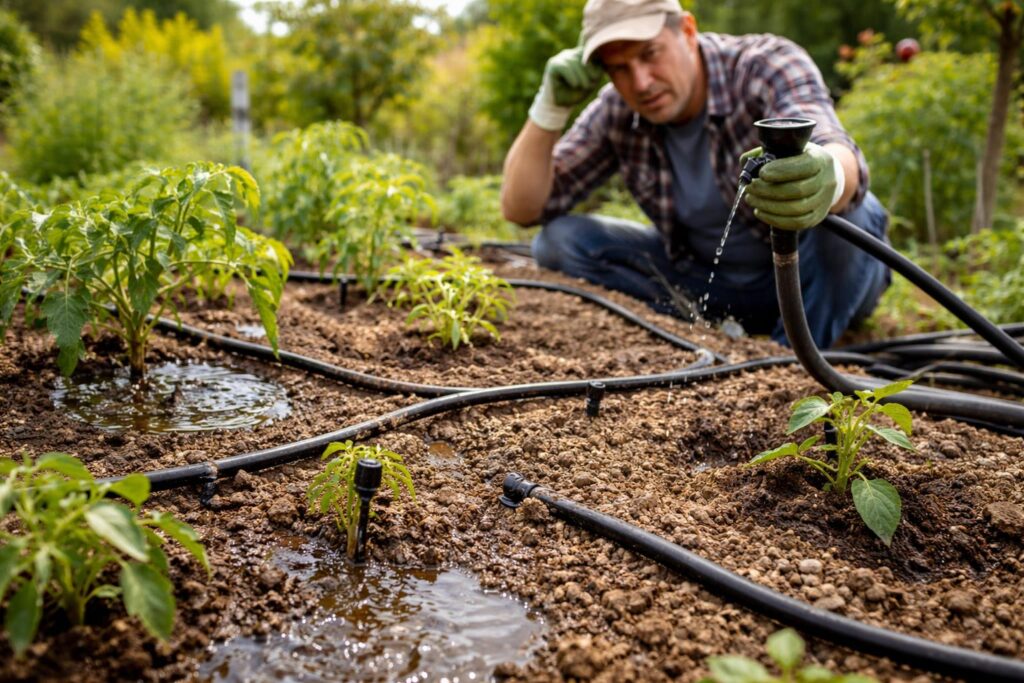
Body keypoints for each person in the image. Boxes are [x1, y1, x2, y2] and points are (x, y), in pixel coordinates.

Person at [500, 0, 891, 349]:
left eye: (650, 54)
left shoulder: (761, 64)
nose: (640, 82)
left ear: (687, 30)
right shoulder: (617, 112)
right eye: (618, 69)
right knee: (562, 241)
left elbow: (832, 144)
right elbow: (522, 208)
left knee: (853, 217)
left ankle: (789, 359)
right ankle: (699, 333)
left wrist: (829, 175)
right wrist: (548, 108)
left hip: (808, 280)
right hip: (707, 284)